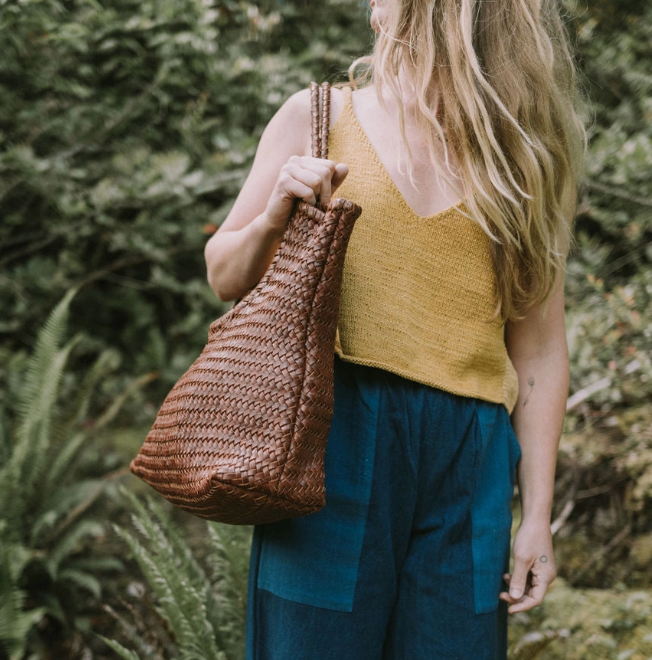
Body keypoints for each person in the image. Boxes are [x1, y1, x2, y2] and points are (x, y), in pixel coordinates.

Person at [204, 0, 586, 657]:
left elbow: (539, 353)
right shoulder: (319, 116)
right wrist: (274, 215)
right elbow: (223, 274)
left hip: (470, 460)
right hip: (333, 433)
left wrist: (535, 521)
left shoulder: (521, 158)